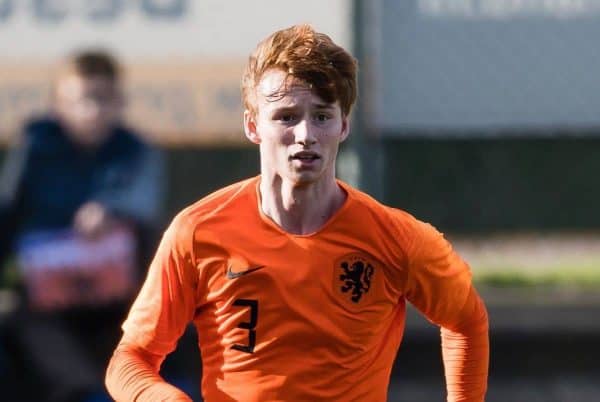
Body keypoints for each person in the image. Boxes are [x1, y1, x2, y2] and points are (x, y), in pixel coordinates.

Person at [105, 24, 489, 402]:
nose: (305, 134)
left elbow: (466, 321)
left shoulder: (395, 238)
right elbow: (129, 360)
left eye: (321, 116)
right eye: (287, 117)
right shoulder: (198, 232)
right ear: (253, 125)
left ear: (343, 125)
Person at [0, 50, 165, 401]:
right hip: (45, 304)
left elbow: (146, 205)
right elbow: (8, 214)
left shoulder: (136, 150)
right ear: (58, 103)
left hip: (119, 301)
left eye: (101, 99)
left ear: (119, 101)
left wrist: (111, 210)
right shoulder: (35, 145)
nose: (91, 111)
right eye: (80, 100)